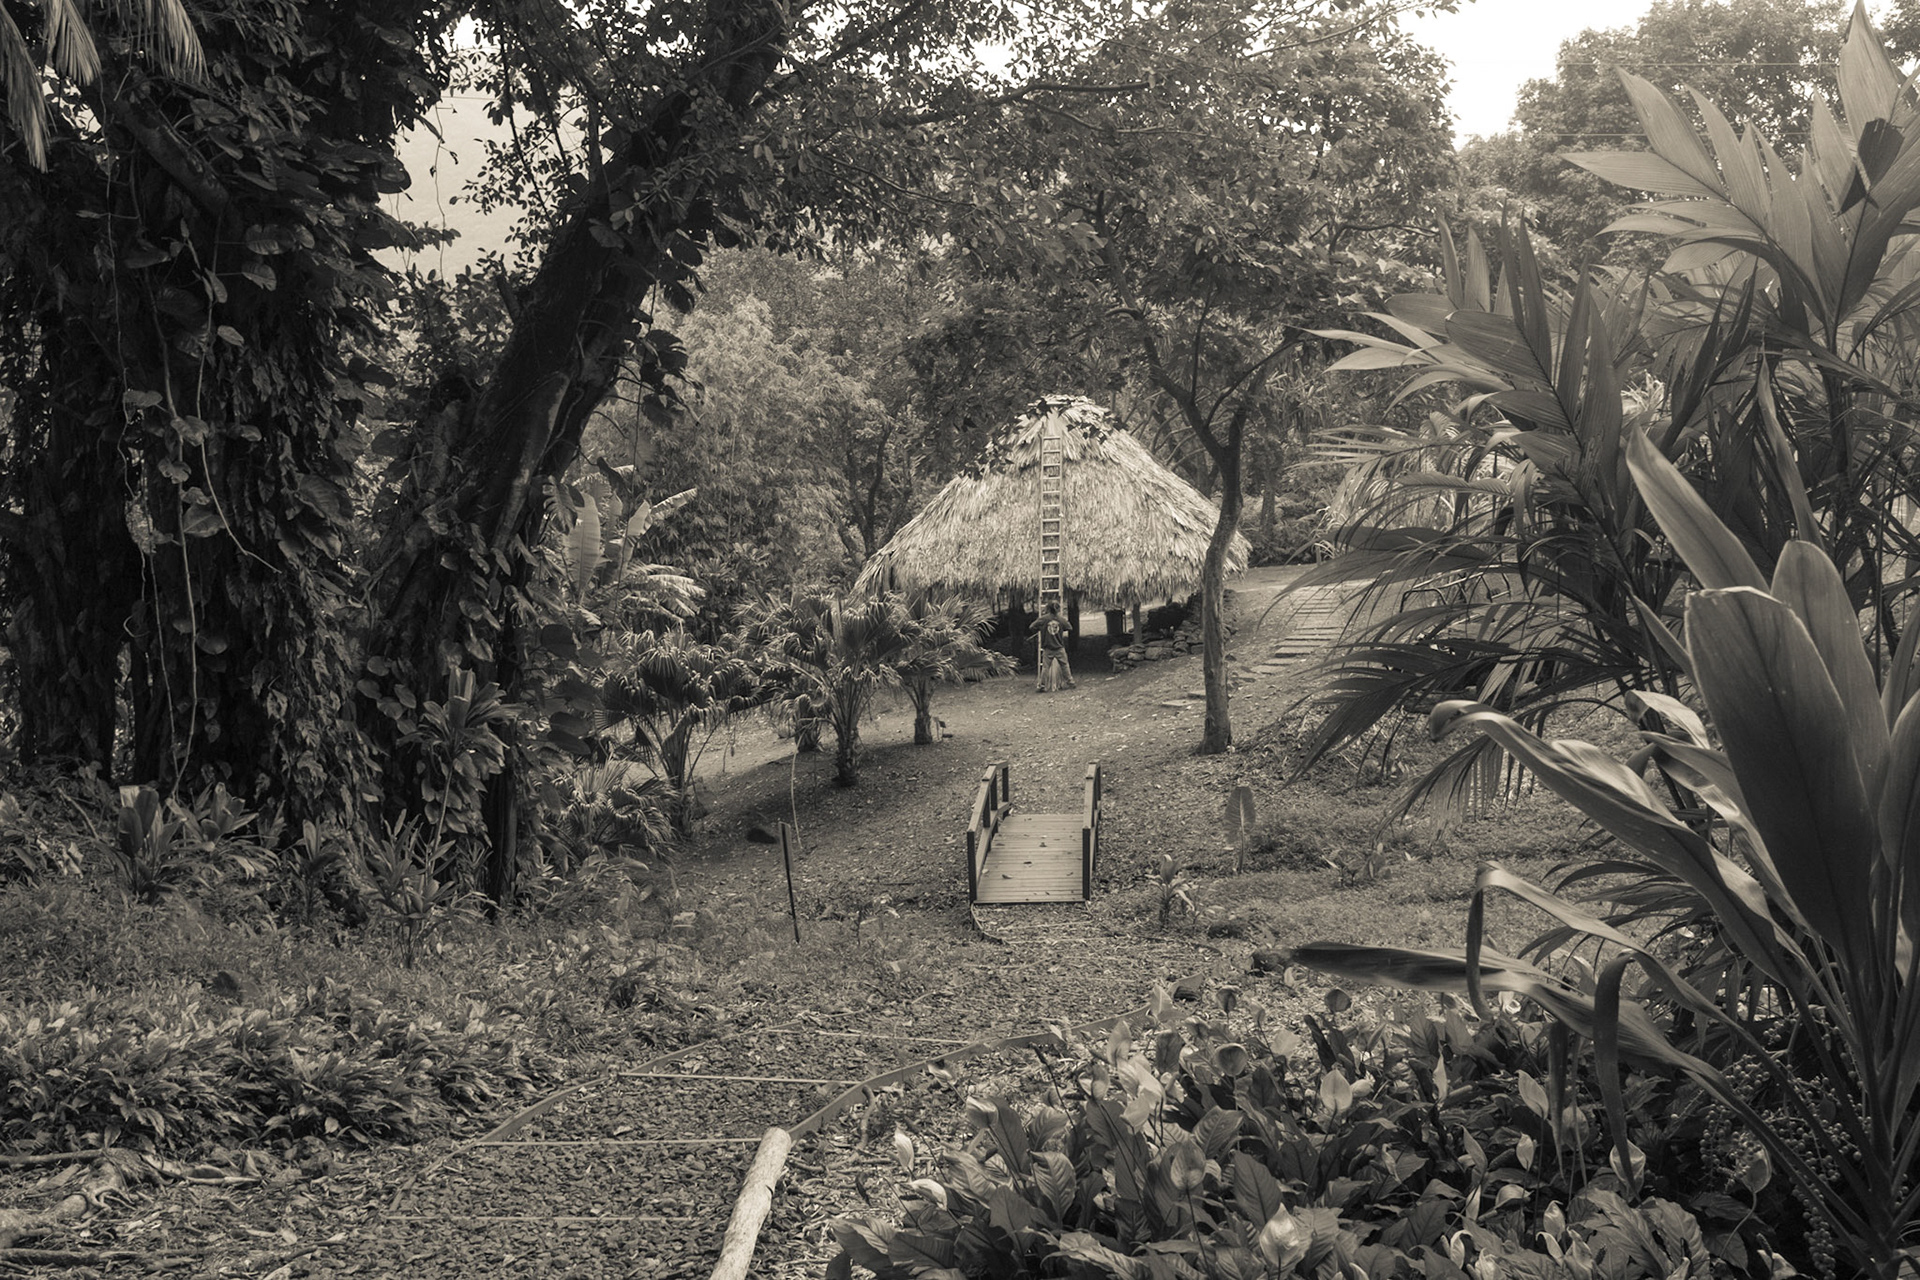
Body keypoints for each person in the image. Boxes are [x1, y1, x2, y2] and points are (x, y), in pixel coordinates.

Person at [1028, 605, 1076, 692]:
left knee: (1045, 667)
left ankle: (1042, 686)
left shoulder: (1043, 619)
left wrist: (1041, 629)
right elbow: (1069, 627)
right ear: (1057, 609)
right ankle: (1071, 682)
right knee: (1065, 665)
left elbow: (1032, 626)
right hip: (1059, 647)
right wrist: (1061, 629)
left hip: (1048, 648)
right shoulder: (1061, 619)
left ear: (1048, 609)